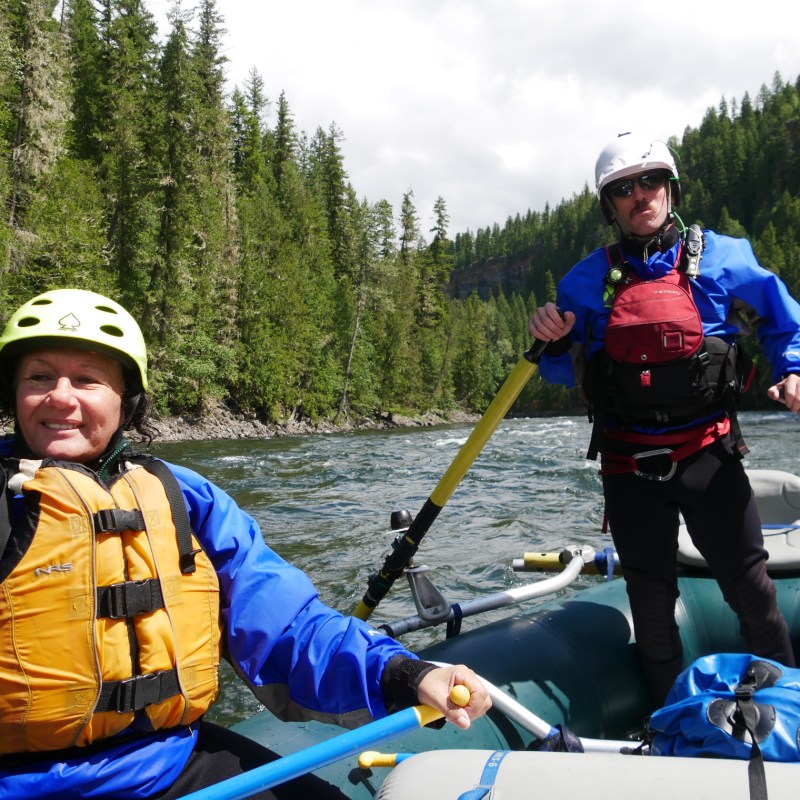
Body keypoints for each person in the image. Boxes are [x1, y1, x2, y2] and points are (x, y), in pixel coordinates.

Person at [0, 288, 491, 800]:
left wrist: (401, 674)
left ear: (126, 400)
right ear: (13, 393)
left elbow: (285, 627)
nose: (61, 396)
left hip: (165, 767)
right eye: (39, 376)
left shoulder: (185, 498)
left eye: (87, 379)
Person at [528, 131, 800, 707]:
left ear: (670, 189)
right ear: (611, 205)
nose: (640, 195)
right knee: (651, 602)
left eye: (650, 181)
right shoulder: (583, 281)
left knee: (751, 590)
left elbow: (784, 320)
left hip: (710, 454)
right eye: (624, 188)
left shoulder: (725, 257)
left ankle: (788, 710)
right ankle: (669, 722)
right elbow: (559, 372)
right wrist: (552, 343)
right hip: (630, 467)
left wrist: (793, 368)